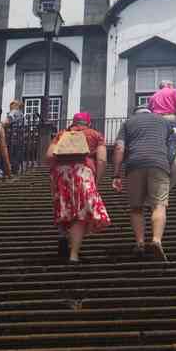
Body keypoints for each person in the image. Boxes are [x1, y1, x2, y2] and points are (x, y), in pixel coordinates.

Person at [112, 105, 176, 261]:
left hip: (134, 165)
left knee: (136, 208)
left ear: (135, 113)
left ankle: (140, 242)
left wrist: (116, 174)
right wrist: (168, 160)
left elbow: (119, 147)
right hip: (159, 163)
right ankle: (156, 240)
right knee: (159, 205)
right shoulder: (164, 121)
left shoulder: (128, 123)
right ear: (150, 111)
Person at [45, 112, 110, 263]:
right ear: (88, 123)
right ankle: (73, 255)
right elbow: (102, 160)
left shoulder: (62, 134)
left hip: (60, 173)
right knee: (79, 214)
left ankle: (62, 234)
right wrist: (96, 180)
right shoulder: (95, 135)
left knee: (63, 206)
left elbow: (49, 156)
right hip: (83, 173)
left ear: (73, 122)